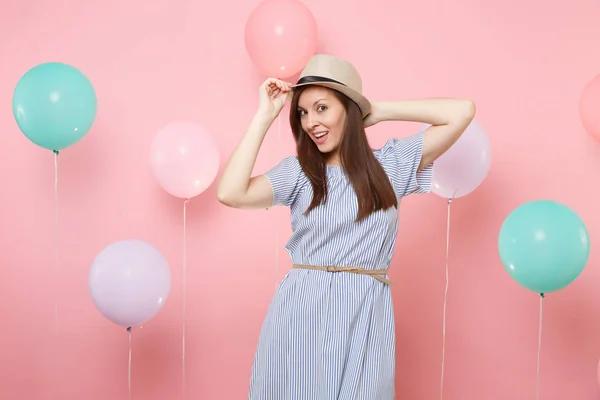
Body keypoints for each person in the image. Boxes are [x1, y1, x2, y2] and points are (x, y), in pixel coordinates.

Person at [217, 54, 475, 399]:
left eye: (322, 108)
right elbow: (230, 192)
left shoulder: (392, 165)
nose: (310, 122)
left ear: (349, 110)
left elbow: (462, 111)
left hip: (366, 311)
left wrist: (378, 110)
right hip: (302, 309)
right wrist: (265, 115)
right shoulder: (298, 173)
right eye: (303, 112)